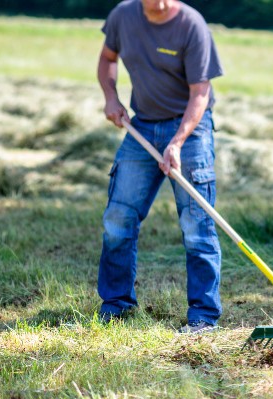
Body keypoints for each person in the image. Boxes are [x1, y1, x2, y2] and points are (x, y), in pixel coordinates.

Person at [96, 0, 224, 334]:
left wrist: (178, 142)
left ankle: (203, 318)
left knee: (198, 226)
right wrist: (111, 97)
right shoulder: (123, 17)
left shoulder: (192, 25)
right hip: (142, 127)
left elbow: (200, 93)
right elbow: (107, 59)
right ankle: (116, 308)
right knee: (117, 220)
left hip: (190, 131)